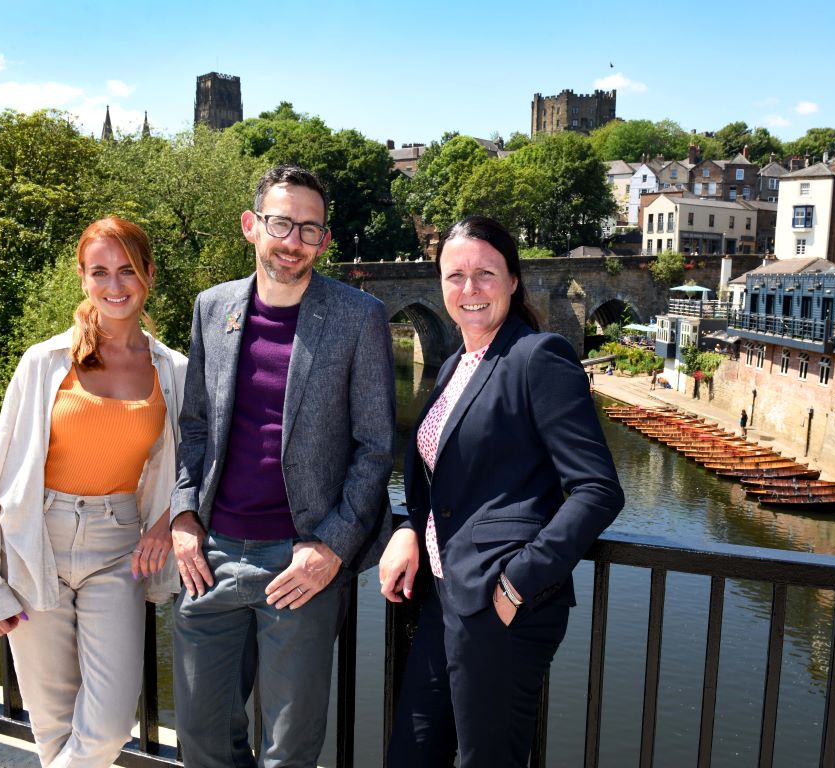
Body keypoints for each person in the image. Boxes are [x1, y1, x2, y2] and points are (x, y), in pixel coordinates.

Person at [170, 165, 395, 768]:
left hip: (301, 561)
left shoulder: (358, 317)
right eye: (280, 223)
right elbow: (194, 427)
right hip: (211, 555)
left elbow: (375, 447)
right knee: (201, 738)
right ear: (252, 226)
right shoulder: (212, 307)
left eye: (309, 229)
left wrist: (332, 546)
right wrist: (184, 516)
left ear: (324, 240)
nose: (292, 241)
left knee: (288, 751)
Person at [379, 216, 624, 767]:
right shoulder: (452, 367)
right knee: (410, 756)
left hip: (498, 607)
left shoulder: (539, 356)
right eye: (455, 275)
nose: (469, 289)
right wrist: (408, 530)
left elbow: (597, 489)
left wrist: (519, 583)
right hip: (443, 599)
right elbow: (440, 482)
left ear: (514, 280)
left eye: (485, 274)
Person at [0, 217, 187, 767]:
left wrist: (165, 523)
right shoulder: (44, 363)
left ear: (149, 276)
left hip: (118, 548)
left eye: (128, 270)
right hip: (34, 541)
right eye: (100, 271)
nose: (115, 285)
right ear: (83, 279)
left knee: (109, 725)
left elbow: (191, 468)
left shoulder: (174, 370)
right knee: (53, 725)